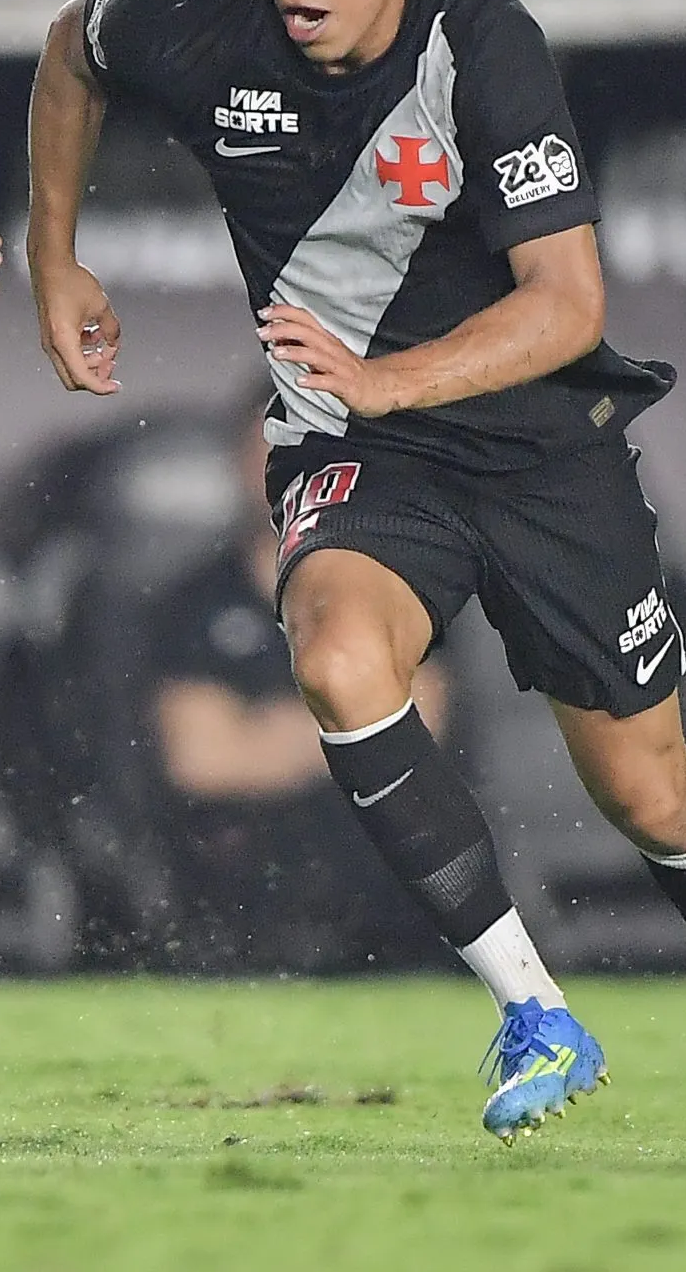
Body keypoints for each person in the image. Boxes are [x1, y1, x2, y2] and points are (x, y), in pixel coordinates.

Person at [23, 0, 686, 1156]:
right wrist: (52, 255)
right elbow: (73, 45)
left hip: (541, 446)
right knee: (338, 655)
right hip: (362, 448)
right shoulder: (204, 31)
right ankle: (535, 1007)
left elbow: (569, 302)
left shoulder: (480, 38)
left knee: (651, 789)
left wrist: (389, 371)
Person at [142, 400, 451, 973]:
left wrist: (267, 733)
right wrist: (349, 725)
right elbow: (202, 761)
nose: (294, 470)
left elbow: (418, 737)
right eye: (275, 445)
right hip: (244, 878)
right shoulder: (191, 602)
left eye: (315, 449)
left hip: (385, 876)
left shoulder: (402, 586)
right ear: (240, 463)